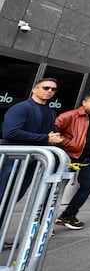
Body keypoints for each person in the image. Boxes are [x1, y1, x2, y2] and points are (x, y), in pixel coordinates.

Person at [0, 78, 64, 223]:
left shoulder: (50, 112)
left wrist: (54, 138)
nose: (49, 91)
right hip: (13, 160)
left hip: (31, 162)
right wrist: (45, 138)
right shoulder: (22, 108)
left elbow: (48, 135)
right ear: (34, 89)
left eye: (53, 89)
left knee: (12, 199)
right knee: (3, 196)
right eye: (46, 88)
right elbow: (11, 133)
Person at [55, 92, 90, 230]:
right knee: (55, 189)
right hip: (69, 156)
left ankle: (68, 215)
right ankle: (43, 222)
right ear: (84, 103)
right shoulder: (70, 116)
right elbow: (54, 131)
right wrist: (68, 143)